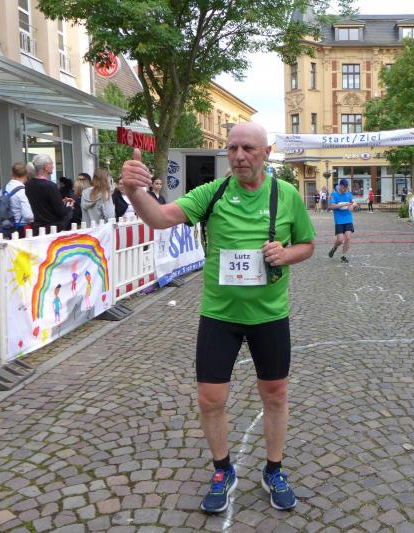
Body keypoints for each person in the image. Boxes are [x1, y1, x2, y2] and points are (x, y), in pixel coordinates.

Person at [120, 123, 314, 513]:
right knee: (210, 398)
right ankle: (223, 470)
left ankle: (274, 469)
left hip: (269, 315)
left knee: (275, 394)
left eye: (248, 148)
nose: (239, 156)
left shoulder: (287, 195)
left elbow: (307, 245)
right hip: (220, 315)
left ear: (266, 153)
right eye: (232, 148)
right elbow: (159, 218)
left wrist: (285, 254)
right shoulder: (213, 193)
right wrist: (134, 191)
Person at [25, 154, 73, 232]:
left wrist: (59, 202)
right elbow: (61, 211)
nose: (53, 167)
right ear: (46, 167)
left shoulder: (28, 184)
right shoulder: (50, 186)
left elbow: (41, 203)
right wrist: (69, 207)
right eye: (52, 164)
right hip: (52, 228)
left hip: (36, 227)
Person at [329, 178, 357, 262]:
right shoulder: (334, 194)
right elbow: (331, 206)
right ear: (340, 186)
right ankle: (334, 248)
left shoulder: (348, 194)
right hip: (339, 220)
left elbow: (355, 202)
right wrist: (343, 204)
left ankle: (343, 256)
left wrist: (352, 205)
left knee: (348, 238)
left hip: (348, 219)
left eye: (346, 187)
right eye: (344, 187)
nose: (345, 189)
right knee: (340, 240)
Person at [2, 162, 34, 234]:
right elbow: (28, 215)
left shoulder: (4, 189)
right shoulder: (22, 191)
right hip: (20, 227)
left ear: (12, 173)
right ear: (27, 173)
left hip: (6, 226)